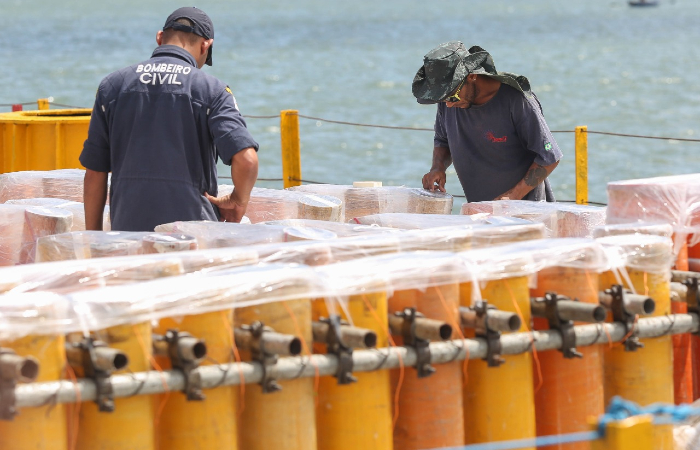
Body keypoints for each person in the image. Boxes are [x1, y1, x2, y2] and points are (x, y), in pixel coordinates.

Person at [80, 6, 259, 231]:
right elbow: (247, 160)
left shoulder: (112, 86)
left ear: (160, 37)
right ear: (206, 45)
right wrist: (238, 200)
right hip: (192, 236)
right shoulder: (212, 90)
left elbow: (95, 173)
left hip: (128, 235)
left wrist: (95, 240)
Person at [413, 41, 562, 203]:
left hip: (525, 213)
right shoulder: (448, 101)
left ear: (471, 76)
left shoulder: (518, 101)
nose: (448, 104)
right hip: (481, 214)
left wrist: (512, 197)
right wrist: (438, 167)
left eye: (451, 96)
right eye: (442, 98)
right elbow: (443, 140)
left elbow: (549, 157)